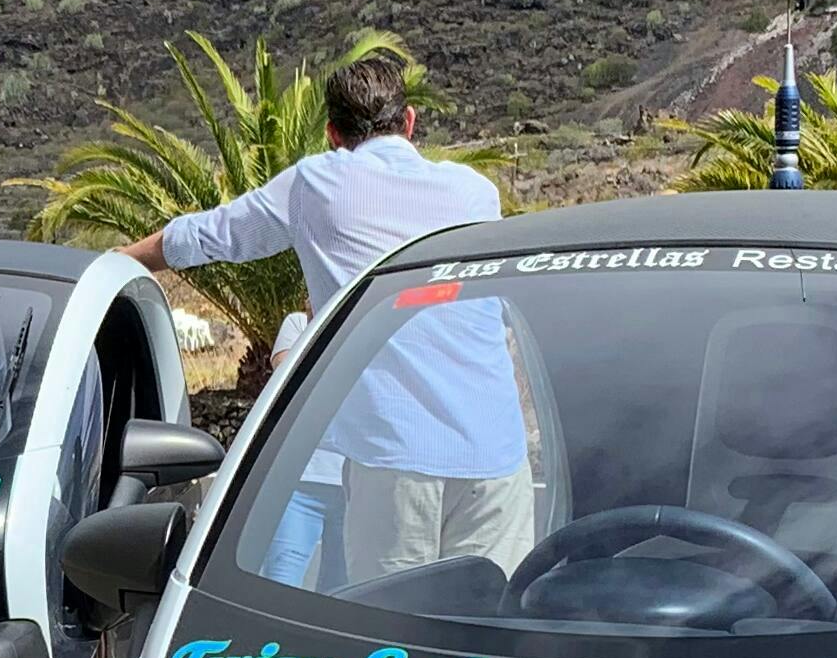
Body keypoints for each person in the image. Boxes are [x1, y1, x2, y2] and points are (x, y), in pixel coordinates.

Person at [122, 48, 534, 582]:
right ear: (409, 121)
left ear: (332, 135)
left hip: (394, 459)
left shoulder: (316, 184)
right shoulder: (476, 191)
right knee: (492, 633)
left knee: (391, 636)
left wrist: (119, 262)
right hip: (497, 454)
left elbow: (207, 236)